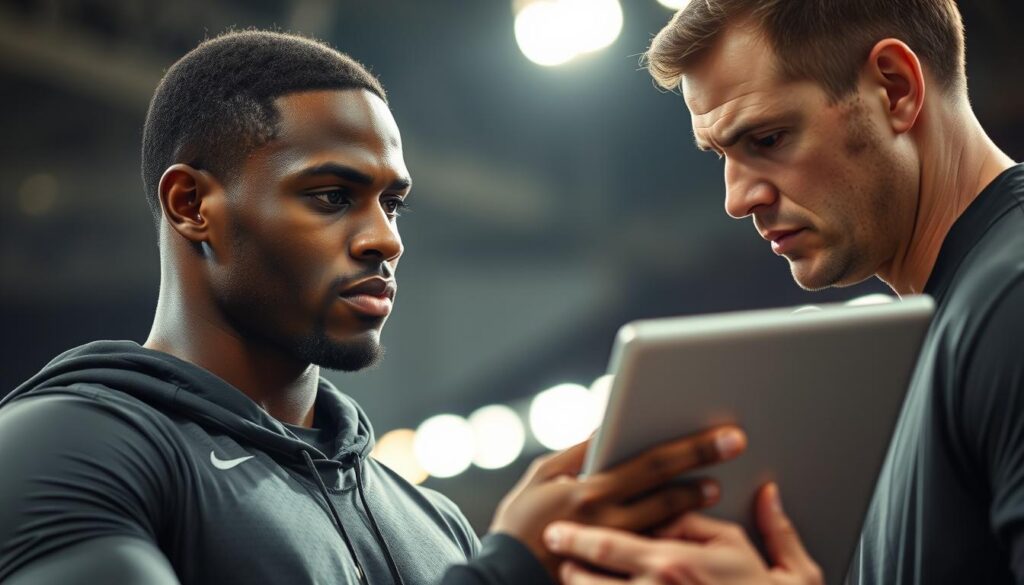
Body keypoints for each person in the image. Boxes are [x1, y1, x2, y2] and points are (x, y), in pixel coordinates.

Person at [0, 30, 746, 585]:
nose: (383, 239)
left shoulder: (432, 520)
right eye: (332, 196)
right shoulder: (64, 445)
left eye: (393, 203)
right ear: (192, 204)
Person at [542, 1, 1023, 584]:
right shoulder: (935, 334)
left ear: (894, 89)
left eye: (767, 138)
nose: (737, 199)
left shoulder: (1010, 300)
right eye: (722, 156)